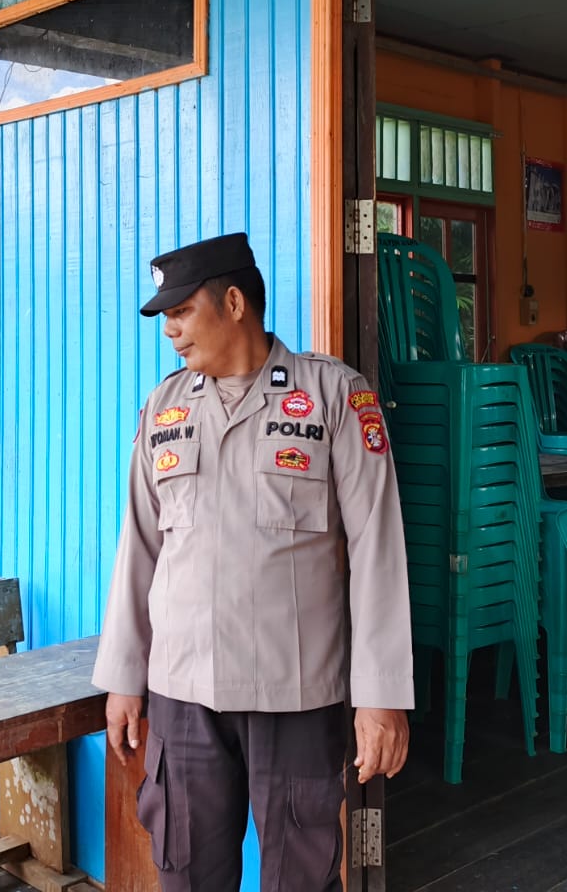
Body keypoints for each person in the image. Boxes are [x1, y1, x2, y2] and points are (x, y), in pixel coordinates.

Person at [93, 232, 413, 892]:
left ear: (233, 301)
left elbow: (378, 547)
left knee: (301, 874)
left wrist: (380, 696)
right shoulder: (164, 407)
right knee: (186, 871)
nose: (172, 332)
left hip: (294, 694)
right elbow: (140, 548)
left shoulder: (333, 397)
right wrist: (125, 675)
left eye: (181, 312)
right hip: (184, 694)